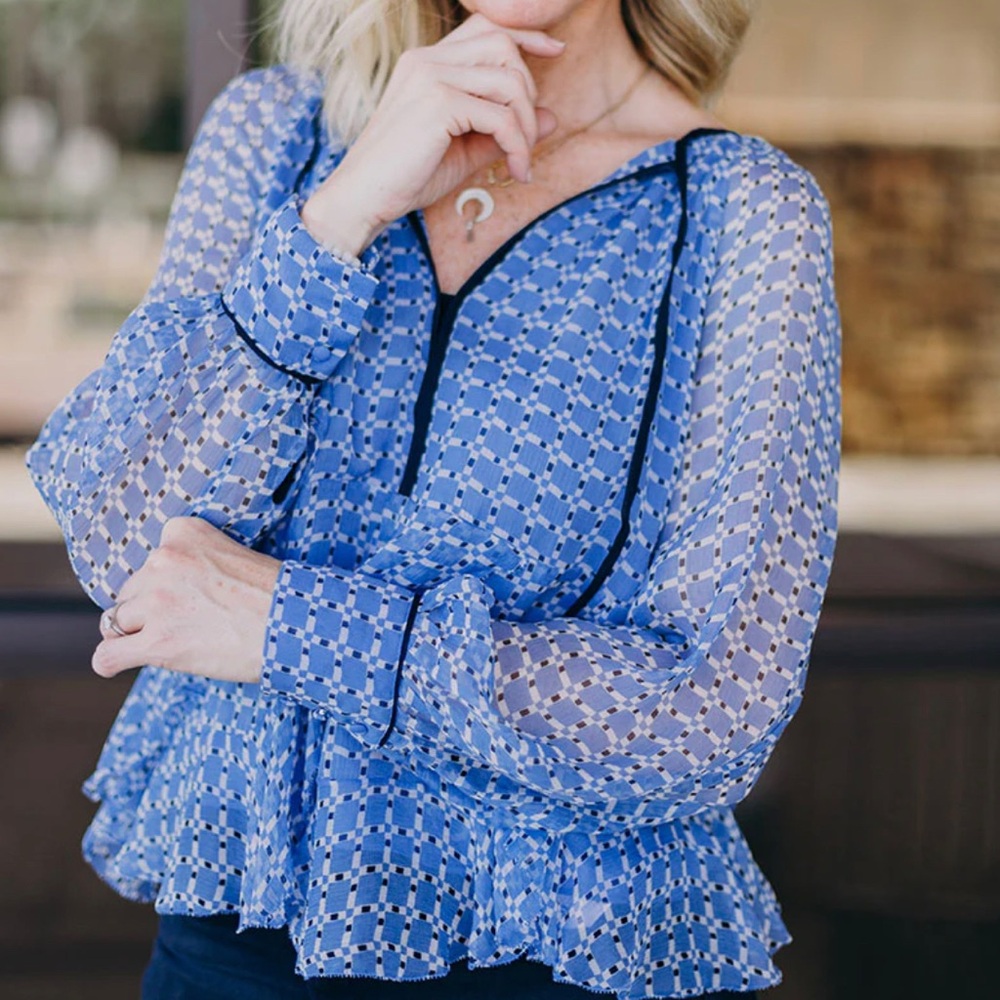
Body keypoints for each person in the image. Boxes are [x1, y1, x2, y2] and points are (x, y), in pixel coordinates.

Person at [26, 1, 841, 997]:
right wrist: (345, 209)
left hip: (564, 958)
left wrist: (288, 624)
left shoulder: (742, 213)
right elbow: (120, 536)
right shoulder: (274, 133)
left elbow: (711, 712)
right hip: (231, 948)